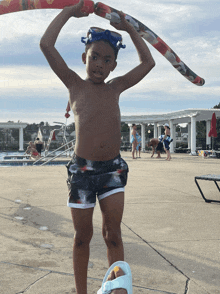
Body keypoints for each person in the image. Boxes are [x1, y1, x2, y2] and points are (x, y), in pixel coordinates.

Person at [40, 1, 155, 293]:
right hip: (81, 171)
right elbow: (46, 45)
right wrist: (68, 11)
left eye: (106, 60)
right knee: (82, 236)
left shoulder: (115, 87)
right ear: (84, 57)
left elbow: (148, 63)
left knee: (112, 235)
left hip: (112, 171)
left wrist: (128, 27)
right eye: (94, 57)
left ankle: (117, 289)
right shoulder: (74, 85)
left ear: (114, 65)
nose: (100, 65)